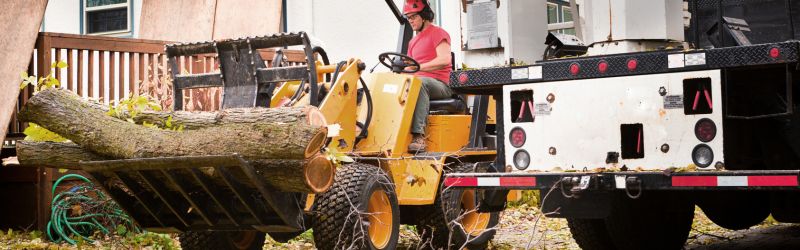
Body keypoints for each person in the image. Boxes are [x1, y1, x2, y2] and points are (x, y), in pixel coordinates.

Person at [404, 0, 453, 152]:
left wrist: (418, 68)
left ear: (424, 15)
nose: (410, 20)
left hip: (441, 84)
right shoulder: (412, 42)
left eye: (413, 16)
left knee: (419, 82)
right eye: (408, 17)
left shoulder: (438, 33)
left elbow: (445, 59)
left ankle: (419, 136)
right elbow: (410, 67)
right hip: (420, 81)